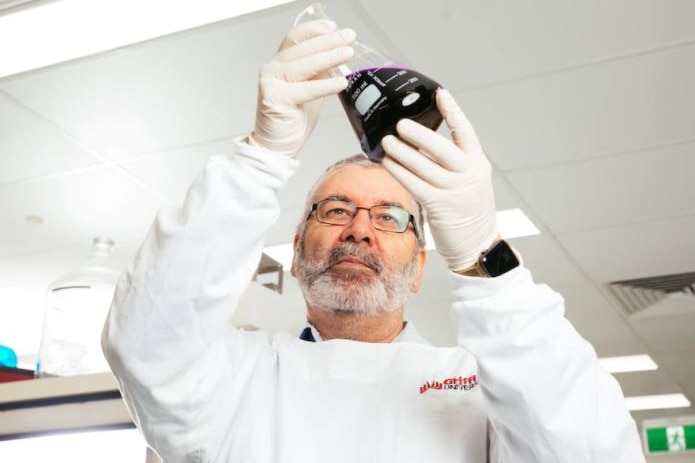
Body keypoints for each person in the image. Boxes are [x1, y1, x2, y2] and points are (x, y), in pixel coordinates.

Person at [102, 18, 646, 463]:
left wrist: (488, 261)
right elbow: (146, 342)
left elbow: (591, 451)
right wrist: (259, 159)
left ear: (418, 267)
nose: (358, 229)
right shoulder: (238, 374)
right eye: (337, 210)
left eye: (389, 217)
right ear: (295, 251)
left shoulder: (475, 384)